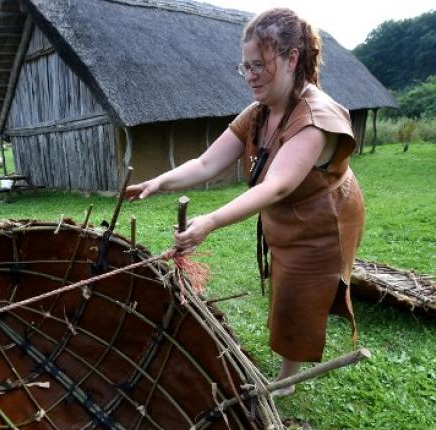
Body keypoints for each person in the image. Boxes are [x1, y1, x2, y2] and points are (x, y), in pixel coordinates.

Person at [126, 8, 365, 393]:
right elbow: (206, 162)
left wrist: (210, 221)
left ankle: (287, 379)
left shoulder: (315, 118)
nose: (250, 75)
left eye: (259, 65)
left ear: (291, 58)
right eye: (245, 67)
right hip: (288, 211)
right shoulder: (258, 114)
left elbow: (277, 186)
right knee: (282, 282)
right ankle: (288, 354)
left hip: (324, 217)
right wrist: (159, 181)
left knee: (297, 293)